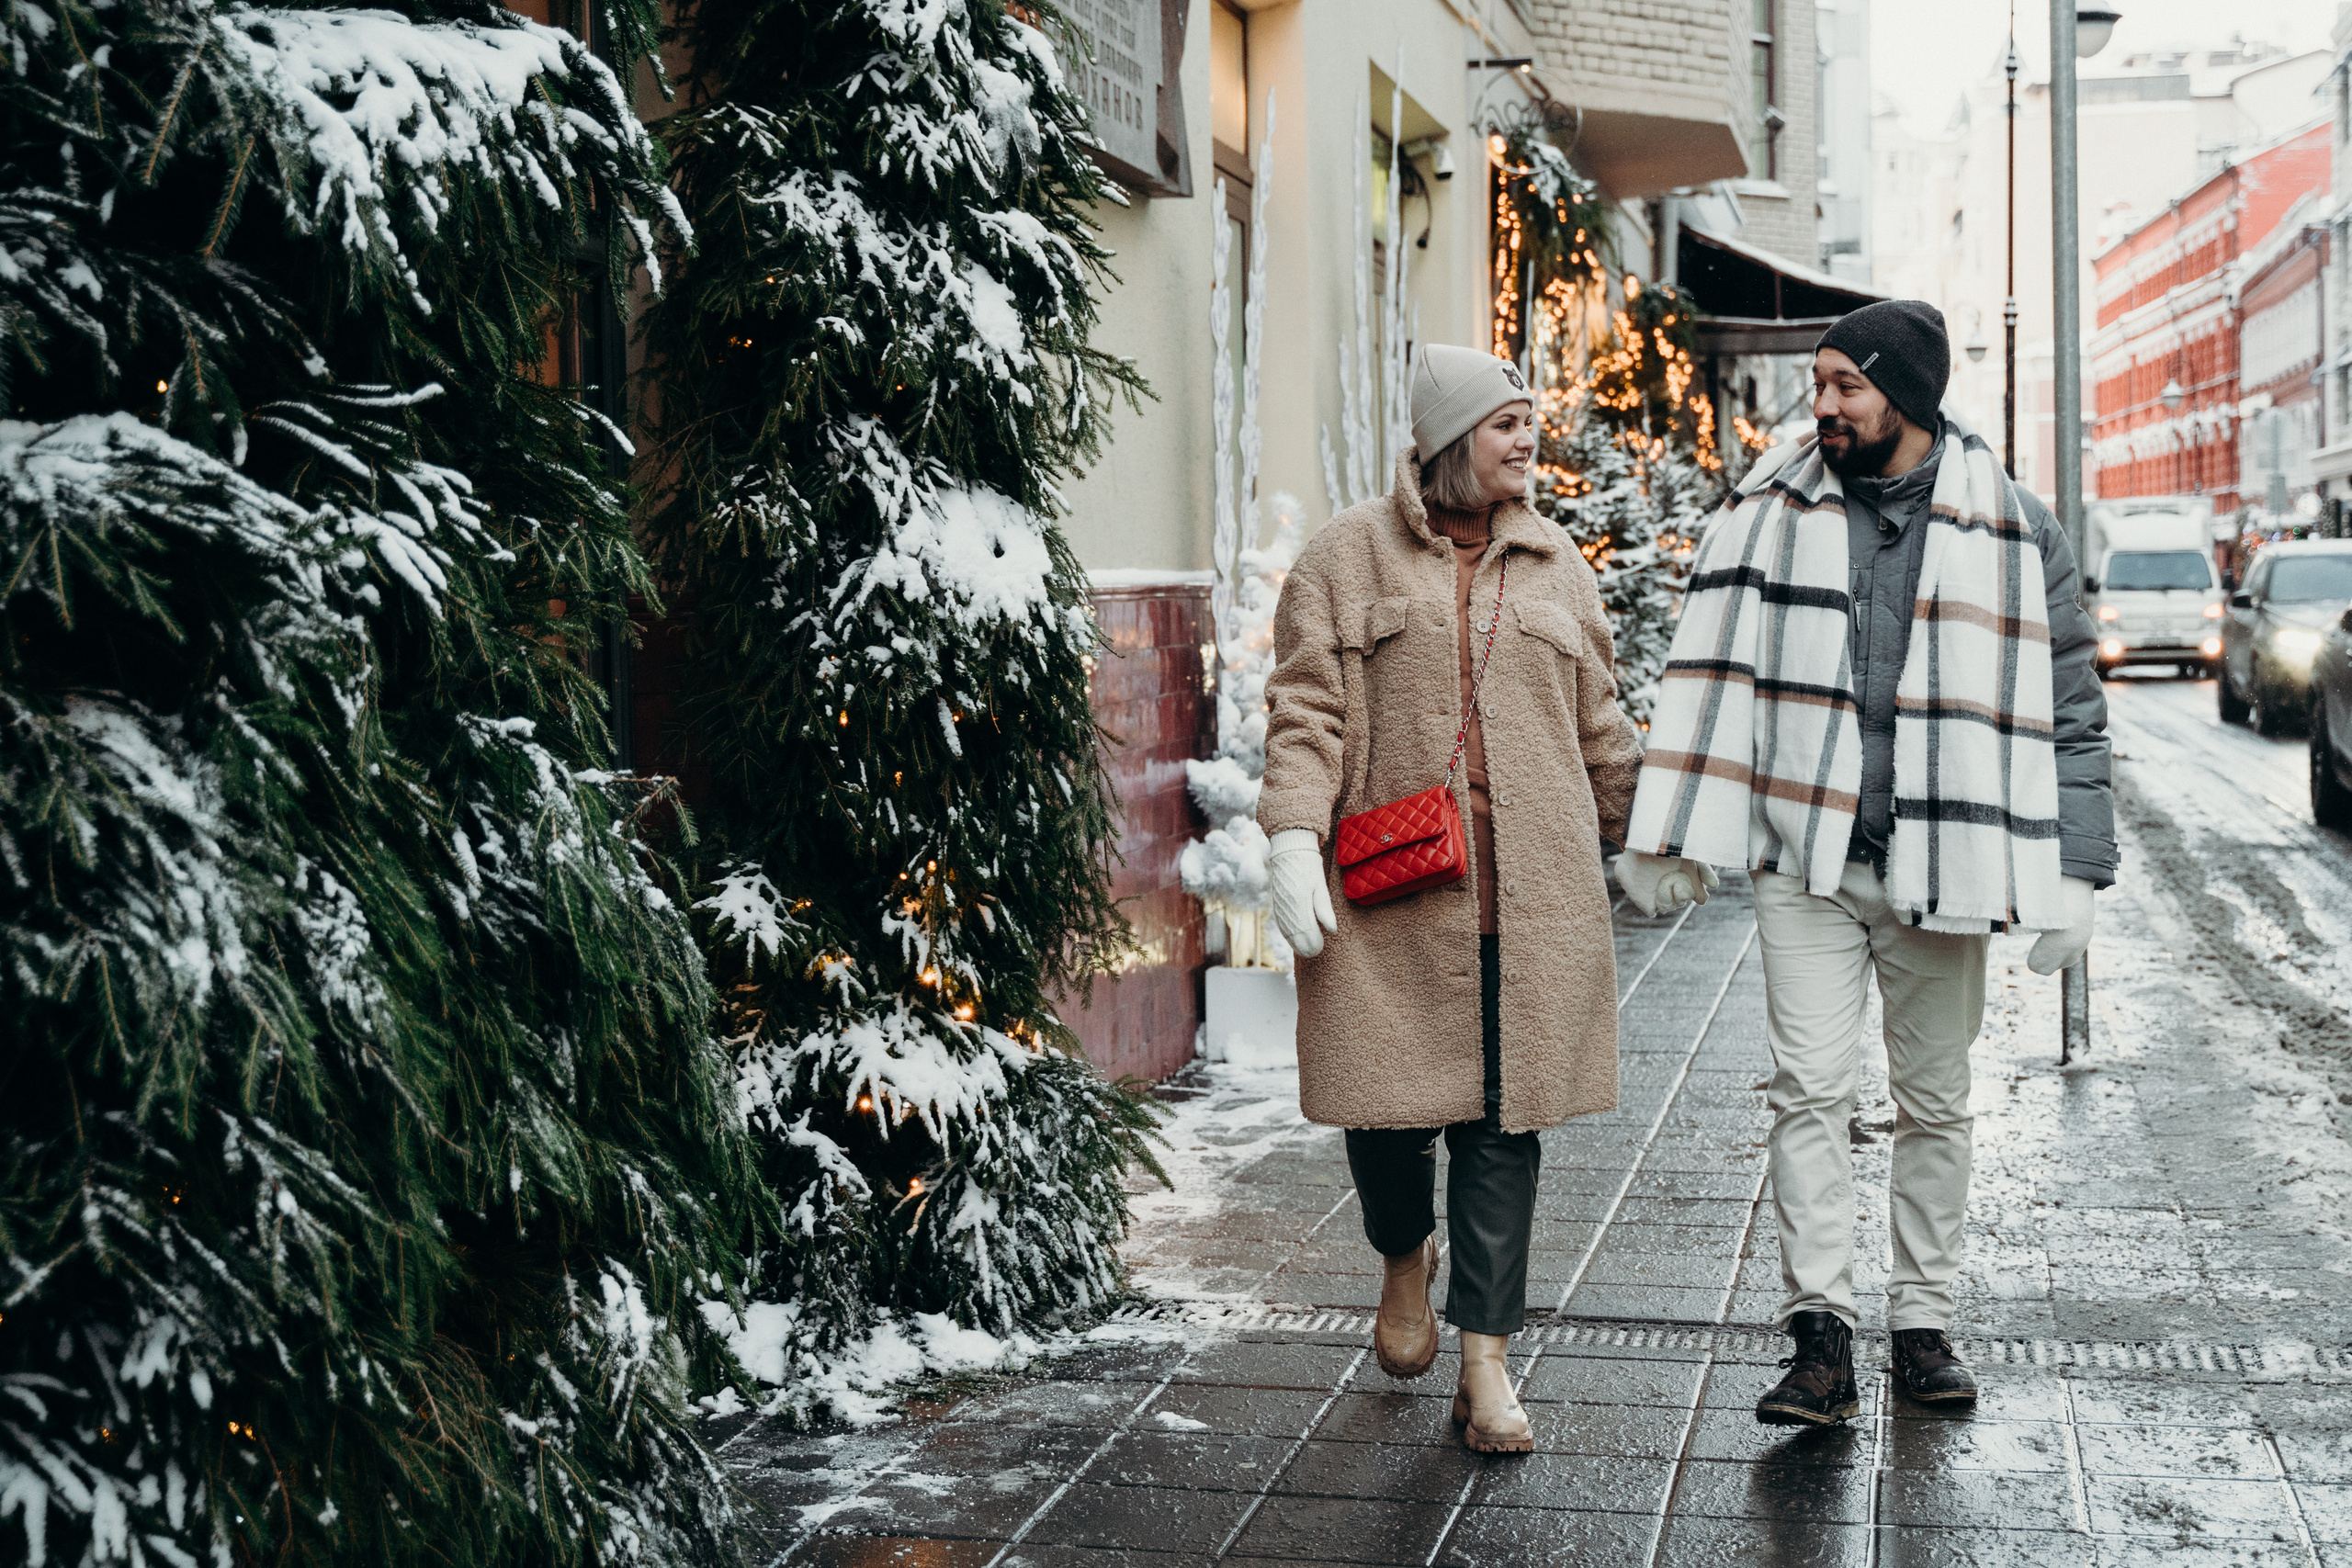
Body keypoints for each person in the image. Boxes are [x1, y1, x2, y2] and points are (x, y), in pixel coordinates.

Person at [1619, 300, 2116, 1425]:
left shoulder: (2014, 528)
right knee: (1808, 1090)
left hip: (1945, 857)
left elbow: (2072, 712)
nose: (1824, 404)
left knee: (1934, 1101)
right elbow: (1712, 673)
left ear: (1907, 391)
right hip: (1808, 856)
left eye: (1846, 384)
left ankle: (1922, 1321)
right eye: (1818, 383)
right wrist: (1672, 832)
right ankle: (1820, 1338)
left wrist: (2076, 872)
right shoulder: (1767, 512)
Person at [1259, 344, 1645, 1453]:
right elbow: (1305, 710)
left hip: (1535, 902)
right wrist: (1292, 832)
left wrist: (1650, 833)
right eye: (1504, 424)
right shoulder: (1345, 557)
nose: (1527, 442)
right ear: (1445, 440)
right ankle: (1399, 1256)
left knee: (1499, 1125)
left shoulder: (1559, 563)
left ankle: (1487, 1369)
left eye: (1531, 422)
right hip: (1392, 895)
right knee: (1386, 1109)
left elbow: (1600, 726)